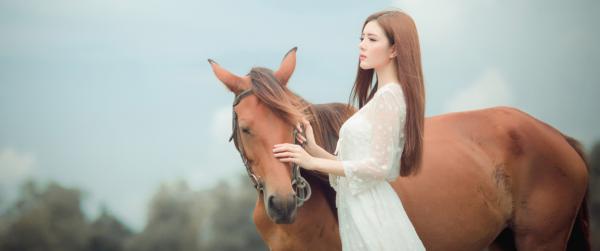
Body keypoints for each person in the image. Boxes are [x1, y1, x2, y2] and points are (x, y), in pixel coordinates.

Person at [272, 10, 426, 250]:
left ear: (395, 49)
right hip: (357, 211)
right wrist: (313, 150)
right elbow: (352, 167)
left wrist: (311, 163)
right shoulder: (380, 99)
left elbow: (378, 167)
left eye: (372, 40)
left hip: (373, 215)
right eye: (362, 38)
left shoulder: (389, 98)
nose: (362, 45)